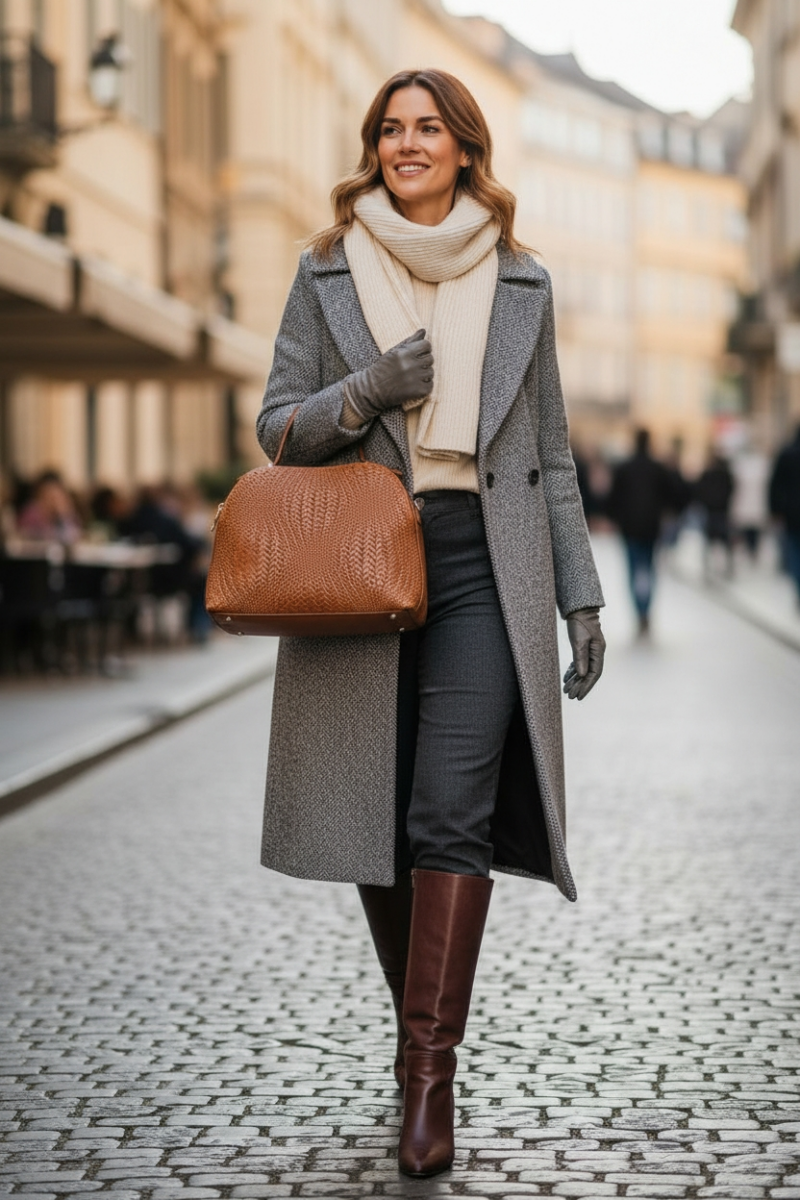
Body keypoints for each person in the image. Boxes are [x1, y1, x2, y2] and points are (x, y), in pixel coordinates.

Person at [255, 69, 606, 1179]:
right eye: (389, 130)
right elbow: (276, 427)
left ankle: (425, 1082)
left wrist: (578, 592)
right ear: (377, 148)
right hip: (358, 562)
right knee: (374, 820)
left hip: (479, 570)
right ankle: (418, 1039)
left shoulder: (519, 282)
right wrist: (365, 390)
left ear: (463, 148)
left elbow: (548, 455)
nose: (406, 144)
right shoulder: (321, 269)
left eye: (427, 129)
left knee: (447, 814)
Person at [606, 428, 684, 634]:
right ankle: (646, 610)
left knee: (633, 570)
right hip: (651, 528)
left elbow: (613, 499)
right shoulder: (657, 468)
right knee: (649, 570)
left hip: (629, 528)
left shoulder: (623, 468)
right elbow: (673, 495)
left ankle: (638, 611)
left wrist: (616, 518)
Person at [769, 423, 800, 602]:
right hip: (791, 513)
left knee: (795, 554)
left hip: (792, 514)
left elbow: (775, 486)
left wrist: (775, 511)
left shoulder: (787, 454)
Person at [694, 451, 735, 578]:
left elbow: (699, 490)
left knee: (710, 540)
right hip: (721, 510)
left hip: (711, 511)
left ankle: (709, 566)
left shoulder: (708, 475)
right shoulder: (725, 475)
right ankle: (726, 566)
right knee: (723, 540)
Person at [16, 470, 82, 544]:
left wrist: (63, 517)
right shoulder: (31, 513)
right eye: (49, 495)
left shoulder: (65, 513)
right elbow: (26, 536)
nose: (53, 500)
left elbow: (74, 536)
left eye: (57, 495)